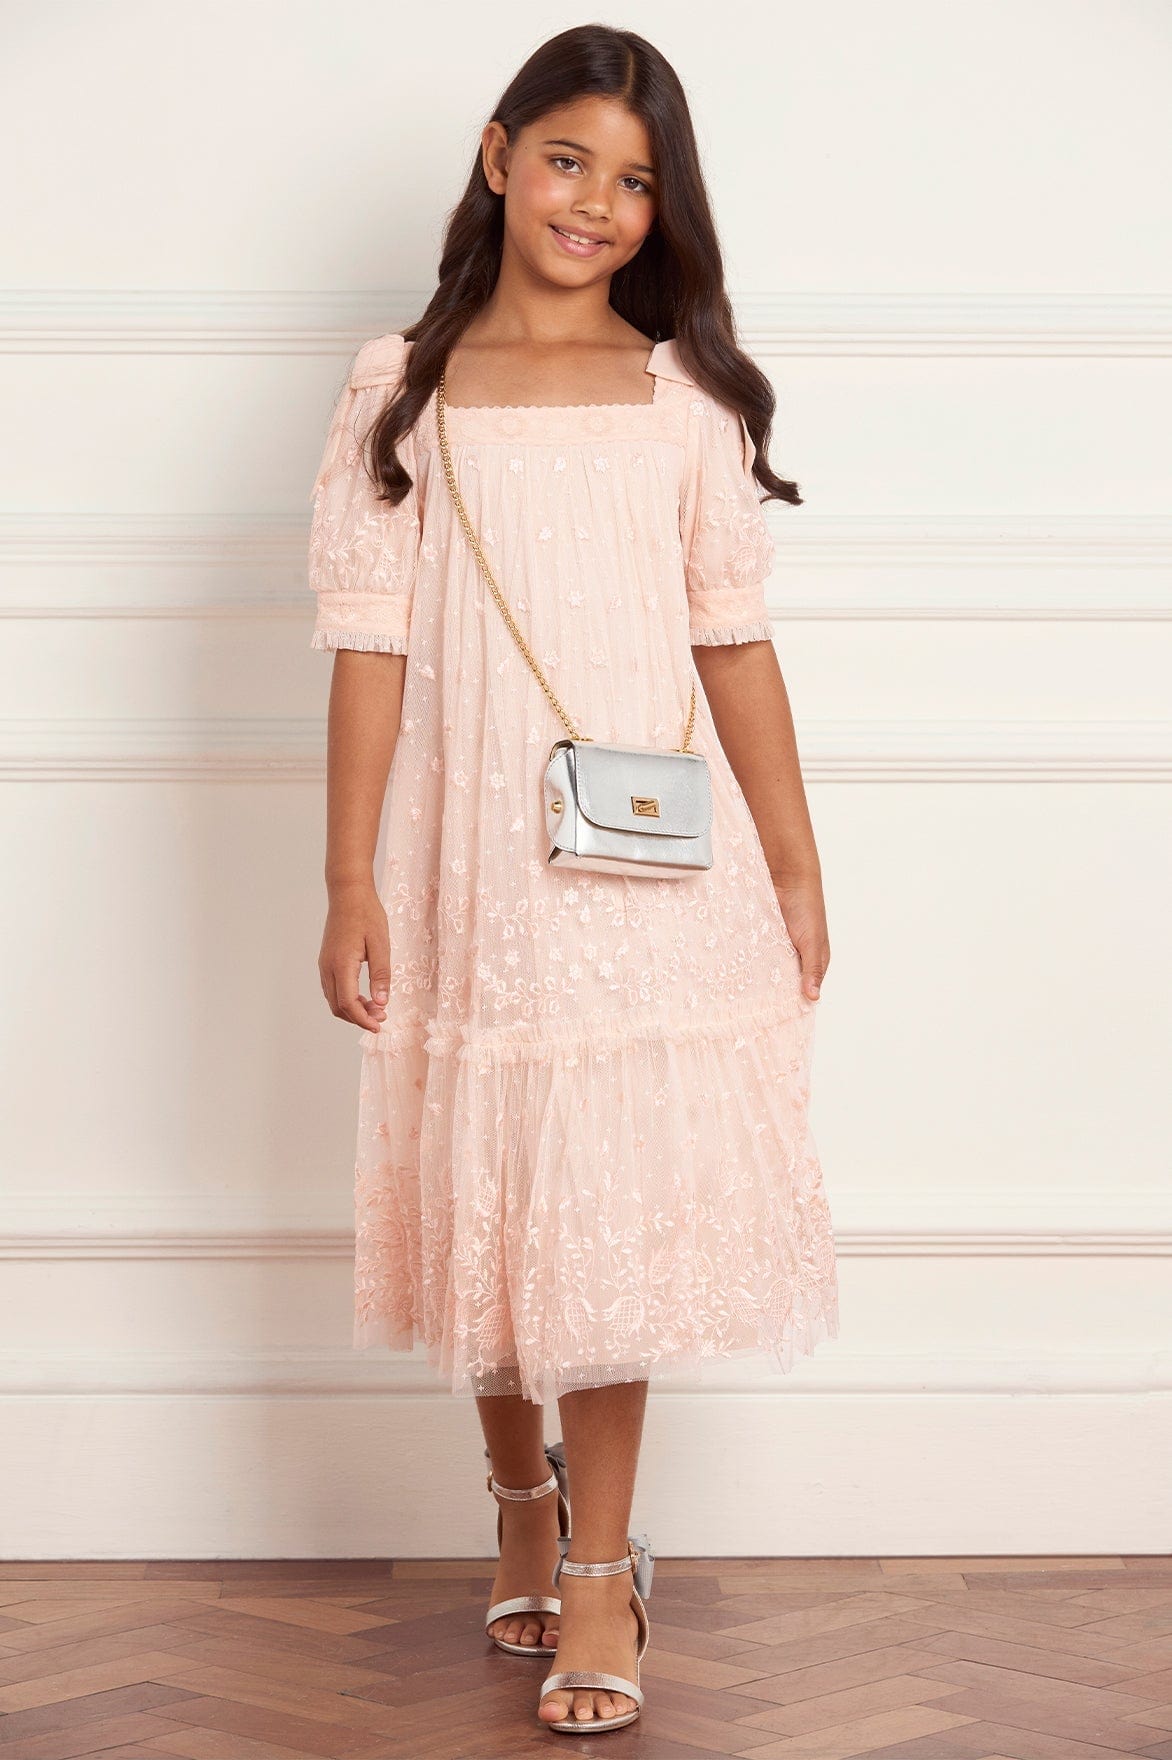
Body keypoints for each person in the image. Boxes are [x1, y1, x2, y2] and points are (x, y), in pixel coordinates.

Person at [307, 23, 839, 1737]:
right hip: (468, 860)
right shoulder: (402, 386)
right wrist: (347, 878)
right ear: (497, 156)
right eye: (567, 160)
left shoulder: (684, 402)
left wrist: (796, 862)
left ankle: (600, 1569)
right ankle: (521, 1507)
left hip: (643, 879)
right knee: (494, 1192)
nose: (596, 203)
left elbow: (734, 643)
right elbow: (371, 646)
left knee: (602, 1206)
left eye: (636, 182)